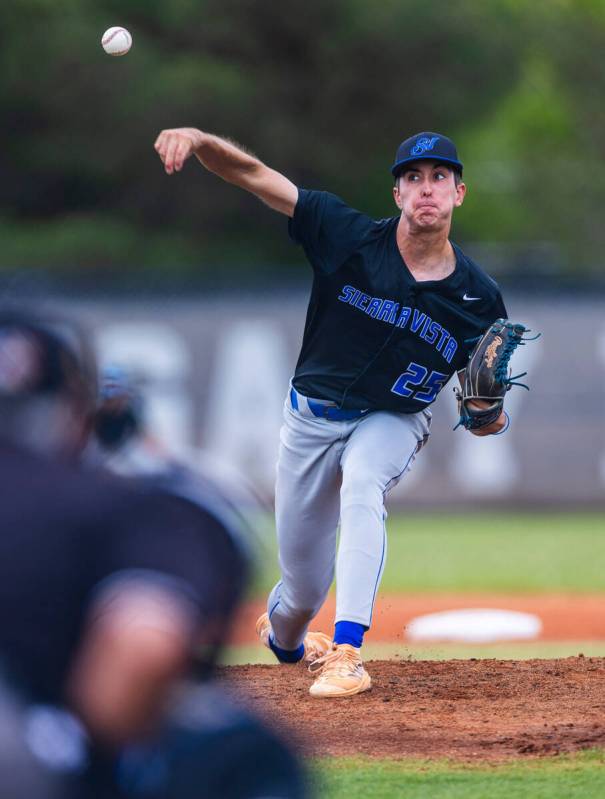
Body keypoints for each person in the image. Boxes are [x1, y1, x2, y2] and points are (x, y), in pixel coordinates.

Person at [154, 128, 508, 698]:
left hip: (393, 418)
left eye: (439, 177)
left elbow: (486, 412)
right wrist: (199, 141)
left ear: (458, 194)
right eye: (413, 178)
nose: (426, 189)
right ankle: (289, 634)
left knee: (364, 483)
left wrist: (491, 413)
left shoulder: (479, 298)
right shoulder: (345, 234)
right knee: (299, 598)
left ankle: (348, 651)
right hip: (311, 421)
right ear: (396, 195)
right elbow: (255, 177)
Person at [0, 310, 307, 798]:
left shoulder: (134, 467)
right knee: (234, 745)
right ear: (77, 409)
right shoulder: (145, 500)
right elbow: (142, 644)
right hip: (33, 755)